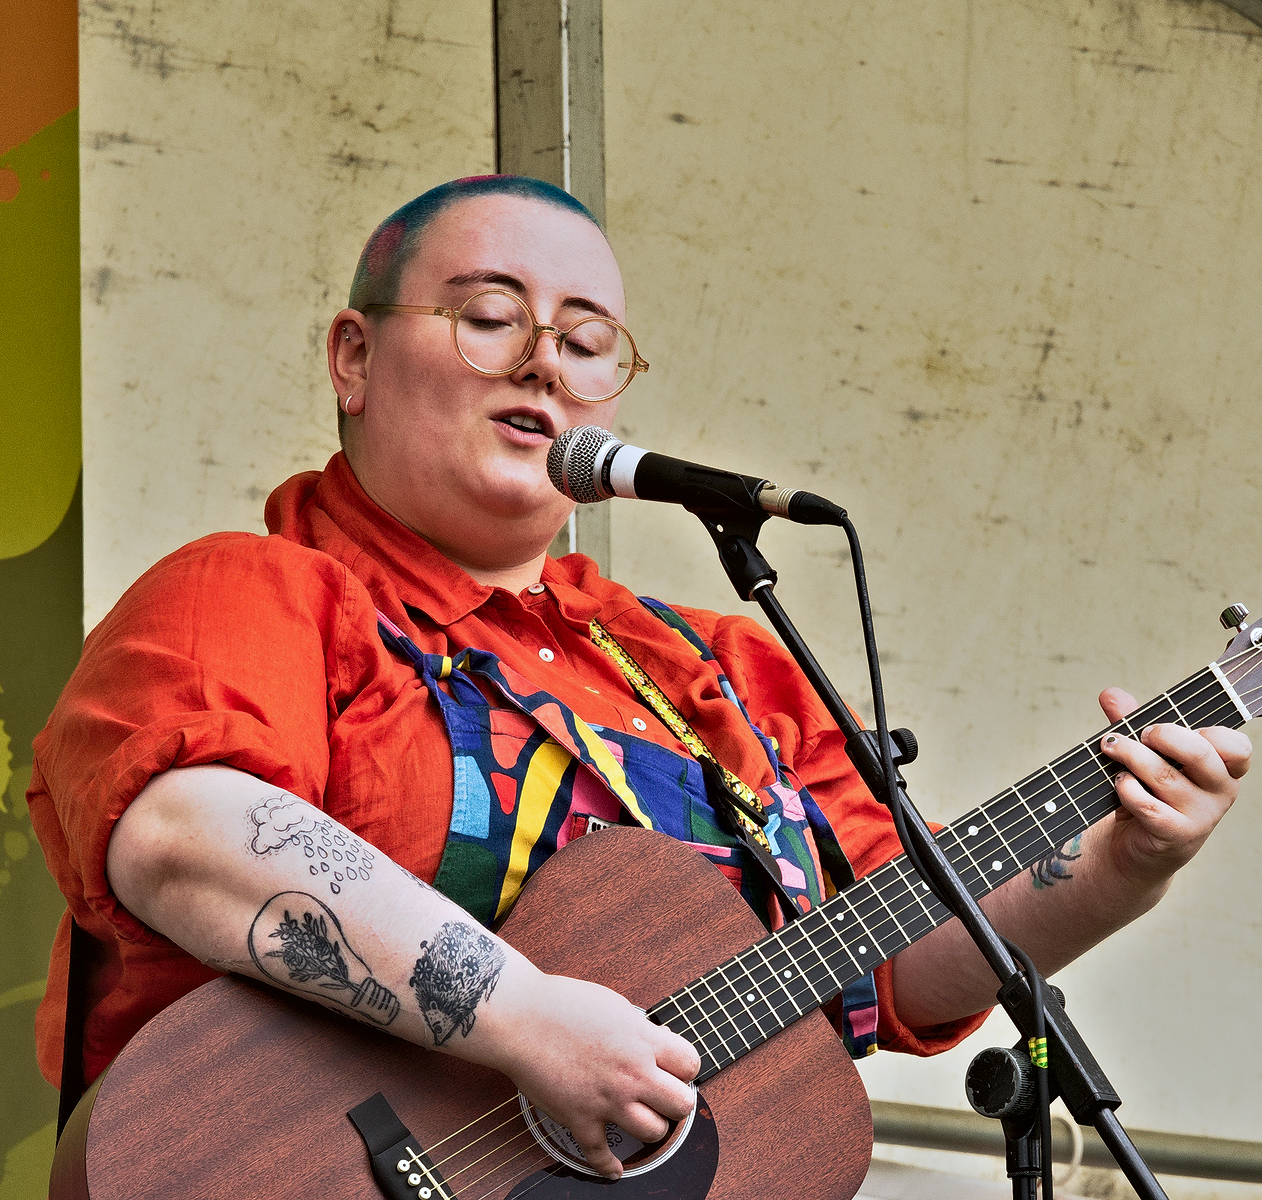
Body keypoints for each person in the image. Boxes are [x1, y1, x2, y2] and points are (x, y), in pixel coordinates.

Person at [29, 175, 1250, 1181]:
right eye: (488, 314)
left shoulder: (716, 669)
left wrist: (1120, 869)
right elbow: (187, 836)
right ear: (353, 357)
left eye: (583, 339)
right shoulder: (256, 589)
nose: (542, 365)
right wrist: (525, 1023)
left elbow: (900, 950)